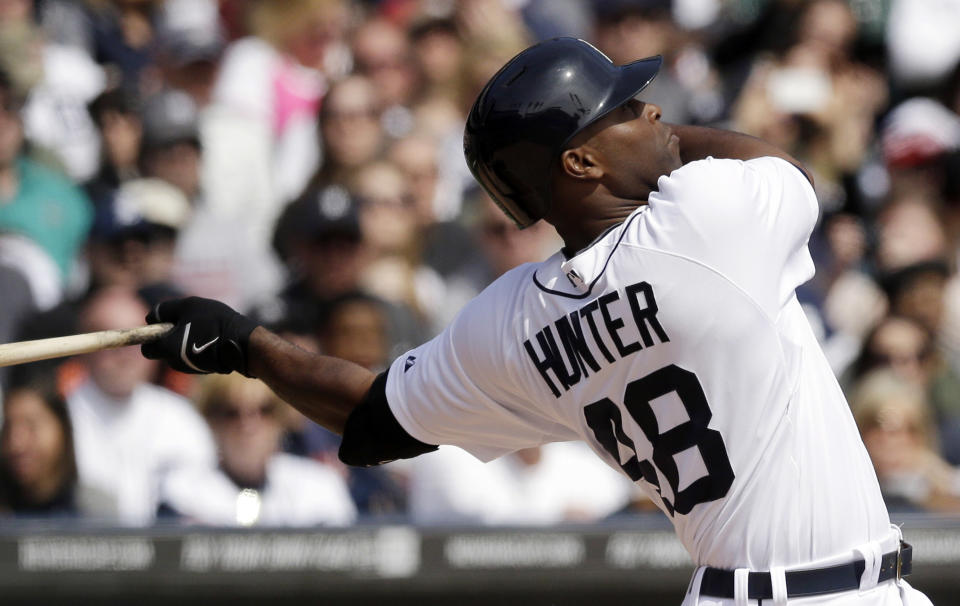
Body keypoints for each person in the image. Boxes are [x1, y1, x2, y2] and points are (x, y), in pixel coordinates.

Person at [140, 38, 931, 605]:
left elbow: (373, 419)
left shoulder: (512, 320)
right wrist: (655, 145)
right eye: (624, 108)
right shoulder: (705, 218)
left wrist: (248, 346)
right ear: (580, 163)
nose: (654, 109)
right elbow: (778, 167)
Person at [159, 372, 355, 527]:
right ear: (209, 421)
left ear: (282, 418)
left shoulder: (319, 485)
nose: (248, 426)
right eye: (231, 412)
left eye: (264, 410)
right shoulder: (181, 491)